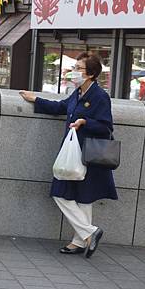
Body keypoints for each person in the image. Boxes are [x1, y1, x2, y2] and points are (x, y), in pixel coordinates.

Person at [19, 53, 117, 258]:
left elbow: (106, 127)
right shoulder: (78, 92)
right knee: (80, 196)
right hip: (74, 153)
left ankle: (87, 234)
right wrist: (35, 99)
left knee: (71, 194)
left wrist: (85, 122)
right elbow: (61, 107)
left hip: (88, 154)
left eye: (79, 68)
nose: (74, 71)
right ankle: (83, 239)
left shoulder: (99, 96)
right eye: (74, 67)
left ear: (91, 74)